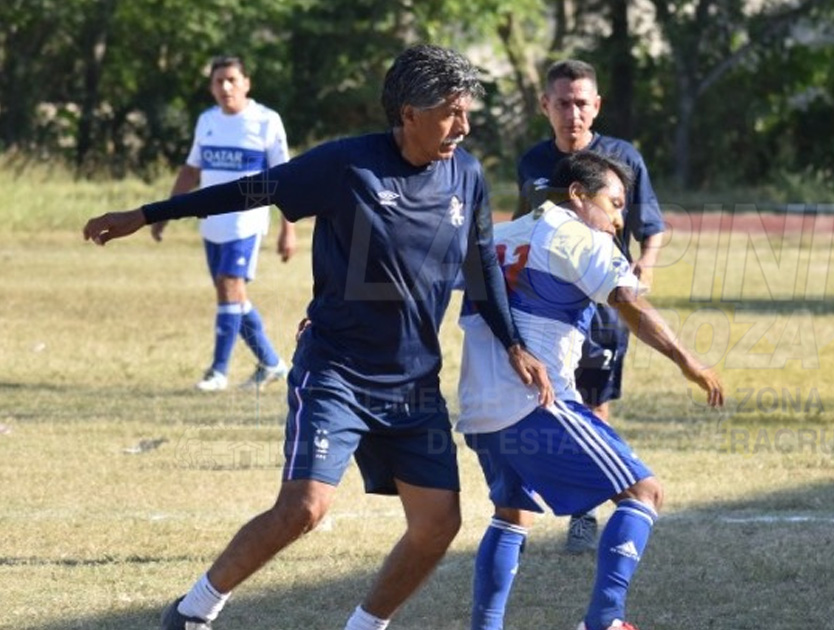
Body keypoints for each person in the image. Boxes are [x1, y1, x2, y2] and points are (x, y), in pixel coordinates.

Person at [83, 44, 552, 630]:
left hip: (413, 384)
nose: (464, 126)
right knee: (304, 508)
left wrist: (513, 343)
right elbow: (252, 189)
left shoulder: (468, 174)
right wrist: (149, 214)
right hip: (337, 371)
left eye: (467, 113)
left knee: (438, 526)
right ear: (409, 112)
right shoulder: (346, 165)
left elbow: (481, 267)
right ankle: (194, 610)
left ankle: (364, 626)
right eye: (451, 112)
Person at [458, 150, 724, 630]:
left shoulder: (500, 235)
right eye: (615, 203)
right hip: (535, 404)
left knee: (512, 514)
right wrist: (689, 361)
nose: (619, 220)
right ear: (578, 195)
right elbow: (629, 303)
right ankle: (605, 620)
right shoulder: (578, 237)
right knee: (643, 492)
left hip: (479, 407)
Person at [515, 58, 665, 553]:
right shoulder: (533, 164)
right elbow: (524, 229)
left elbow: (652, 226)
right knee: (544, 400)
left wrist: (645, 264)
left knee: (593, 405)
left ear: (596, 106)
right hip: (545, 308)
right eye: (563, 103)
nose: (573, 113)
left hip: (601, 305)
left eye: (582, 103)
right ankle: (528, 500)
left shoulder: (622, 157)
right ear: (546, 106)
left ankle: (584, 513)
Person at [152, 55, 296, 392]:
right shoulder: (207, 121)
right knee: (230, 294)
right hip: (211, 222)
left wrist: (287, 229)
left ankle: (218, 372)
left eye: (232, 79)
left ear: (247, 83)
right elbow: (191, 170)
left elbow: (286, 179)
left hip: (245, 221)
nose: (226, 87)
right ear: (211, 87)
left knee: (231, 287)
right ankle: (272, 362)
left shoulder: (266, 121)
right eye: (219, 81)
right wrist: (165, 212)